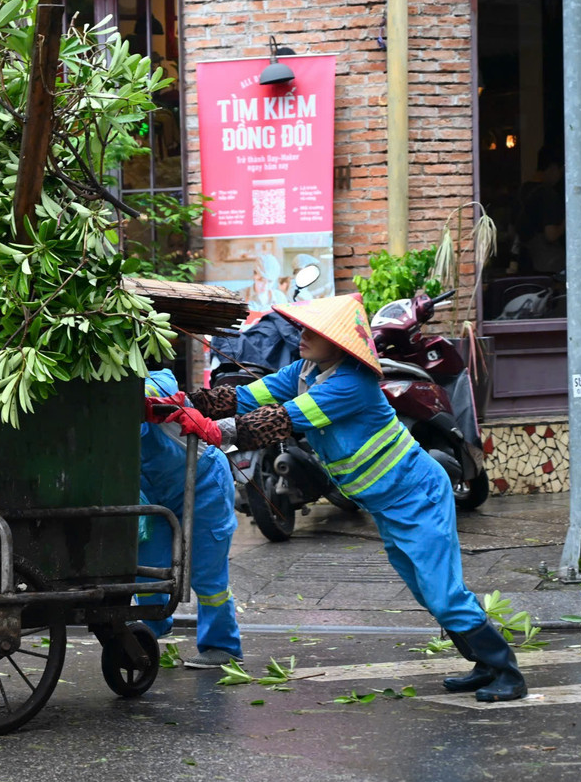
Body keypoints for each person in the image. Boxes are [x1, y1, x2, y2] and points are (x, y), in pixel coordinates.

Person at [164, 295, 527, 703]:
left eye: (310, 332)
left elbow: (280, 420)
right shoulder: (305, 371)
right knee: (427, 591)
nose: (300, 337)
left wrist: (213, 430)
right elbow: (249, 397)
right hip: (389, 504)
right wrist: (184, 403)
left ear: (337, 343)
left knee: (442, 591)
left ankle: (506, 672)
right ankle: (481, 664)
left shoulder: (352, 383)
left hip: (417, 497)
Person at [139, 368, 243, 669]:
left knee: (206, 572)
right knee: (145, 570)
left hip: (204, 482)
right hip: (152, 494)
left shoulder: (155, 381)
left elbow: (165, 385)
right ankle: (150, 628)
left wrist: (143, 401)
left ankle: (222, 645)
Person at [517, 144, 565, 275]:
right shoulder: (548, 194)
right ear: (553, 168)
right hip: (546, 267)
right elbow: (551, 234)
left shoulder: (522, 190)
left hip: (524, 263)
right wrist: (567, 222)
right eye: (560, 172)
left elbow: (511, 230)